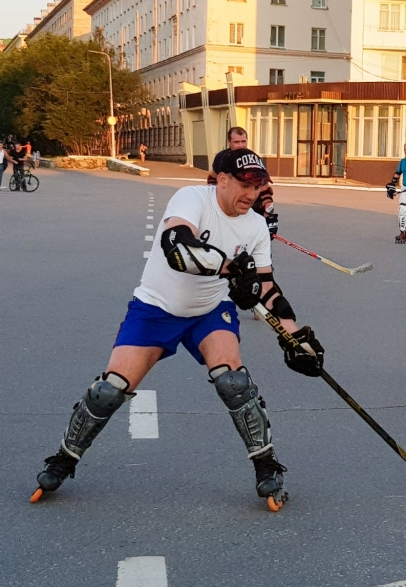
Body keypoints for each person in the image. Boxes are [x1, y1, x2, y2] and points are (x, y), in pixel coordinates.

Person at [31, 149, 325, 510]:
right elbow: (178, 249)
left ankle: (266, 466)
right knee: (110, 390)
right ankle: (64, 459)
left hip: (209, 311)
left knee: (232, 381)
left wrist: (292, 336)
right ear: (221, 179)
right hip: (155, 307)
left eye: (259, 184)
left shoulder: (256, 226)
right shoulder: (192, 199)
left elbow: (266, 287)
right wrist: (231, 269)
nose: (252, 192)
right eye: (244, 183)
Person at [207, 127, 278, 237]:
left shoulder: (254, 159)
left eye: (243, 141)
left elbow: (265, 191)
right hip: (229, 209)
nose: (241, 145)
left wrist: (269, 216)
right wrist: (212, 203)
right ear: (229, 143)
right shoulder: (221, 158)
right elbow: (212, 179)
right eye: (236, 142)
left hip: (252, 208)